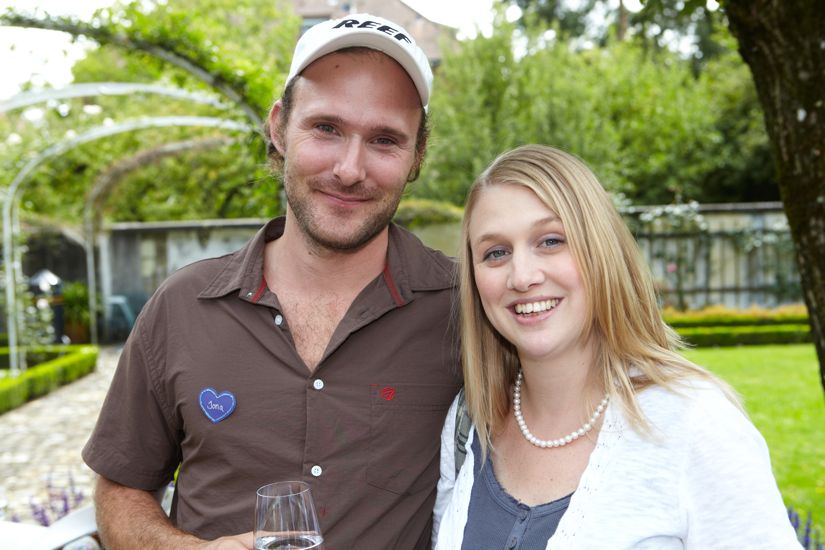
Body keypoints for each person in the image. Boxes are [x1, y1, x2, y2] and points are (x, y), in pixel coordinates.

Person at [82, 13, 461, 550]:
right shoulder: (183, 306)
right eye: (326, 128)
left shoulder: (464, 310)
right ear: (279, 127)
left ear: (417, 155)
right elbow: (121, 488)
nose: (349, 169)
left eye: (384, 140)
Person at [432, 144, 801, 549]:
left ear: (601, 251)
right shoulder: (469, 425)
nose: (522, 276)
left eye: (551, 241)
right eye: (496, 253)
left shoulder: (694, 424)